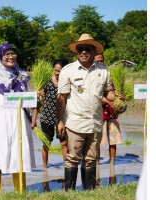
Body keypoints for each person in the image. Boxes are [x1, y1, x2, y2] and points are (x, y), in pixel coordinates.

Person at [56, 33, 115, 191]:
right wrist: (60, 121)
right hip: (75, 122)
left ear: (94, 51)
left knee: (91, 159)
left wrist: (115, 96)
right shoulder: (68, 70)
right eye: (80, 49)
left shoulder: (103, 70)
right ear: (77, 52)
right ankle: (70, 192)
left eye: (87, 48)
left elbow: (108, 92)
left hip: (95, 123)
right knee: (72, 158)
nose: (83, 52)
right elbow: (61, 98)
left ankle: (88, 192)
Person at [0, 43, 36, 197]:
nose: (10, 57)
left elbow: (29, 101)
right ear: (0, 56)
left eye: (13, 54)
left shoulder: (22, 75)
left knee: (19, 156)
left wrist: (37, 99)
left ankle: (20, 192)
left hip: (20, 122)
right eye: (7, 54)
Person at [31, 60, 68, 170]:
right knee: (46, 143)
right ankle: (45, 168)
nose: (57, 73)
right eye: (56, 70)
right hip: (47, 116)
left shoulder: (66, 83)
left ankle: (67, 167)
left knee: (64, 143)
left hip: (61, 117)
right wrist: (34, 120)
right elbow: (38, 103)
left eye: (60, 71)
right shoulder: (46, 82)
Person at [94, 53, 124, 186]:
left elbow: (114, 91)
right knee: (98, 141)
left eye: (102, 60)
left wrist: (119, 97)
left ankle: (112, 163)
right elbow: (95, 94)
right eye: (97, 60)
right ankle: (96, 163)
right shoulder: (92, 75)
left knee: (113, 139)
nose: (100, 62)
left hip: (111, 113)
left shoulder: (109, 74)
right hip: (98, 112)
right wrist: (108, 100)